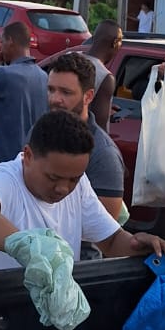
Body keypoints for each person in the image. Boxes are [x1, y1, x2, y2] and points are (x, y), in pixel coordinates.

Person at [0, 110, 165, 273]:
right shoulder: (4, 179)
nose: (63, 189)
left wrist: (136, 244)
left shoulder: (80, 184)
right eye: (53, 177)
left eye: (73, 179)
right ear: (28, 156)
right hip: (1, 309)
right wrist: (28, 247)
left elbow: (111, 242)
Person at [46, 52, 128, 225]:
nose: (55, 99)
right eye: (51, 89)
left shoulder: (103, 154)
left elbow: (104, 231)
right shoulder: (39, 131)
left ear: (88, 96)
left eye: (66, 92)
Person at [0, 21, 48, 178]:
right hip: (29, 166)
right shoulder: (43, 76)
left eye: (2, 42)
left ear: (11, 41)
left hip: (0, 166)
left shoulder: (3, 74)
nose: (1, 48)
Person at [77, 19, 123, 131]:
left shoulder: (68, 57)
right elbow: (98, 128)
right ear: (115, 43)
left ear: (92, 38)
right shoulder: (105, 78)